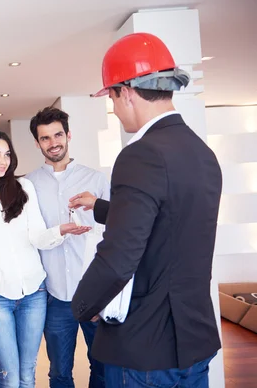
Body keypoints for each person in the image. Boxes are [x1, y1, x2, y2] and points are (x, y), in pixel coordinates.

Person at [69, 32, 222, 388]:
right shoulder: (202, 154)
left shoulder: (140, 154)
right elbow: (169, 222)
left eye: (111, 97)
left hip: (145, 349)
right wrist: (101, 207)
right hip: (194, 339)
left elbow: (119, 257)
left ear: (127, 92)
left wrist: (82, 306)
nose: (114, 107)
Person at [0, 107, 109, 387]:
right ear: (37, 143)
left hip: (95, 290)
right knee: (59, 372)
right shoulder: (26, 185)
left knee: (104, 367)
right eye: (45, 138)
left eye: (58, 134)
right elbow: (7, 233)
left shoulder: (96, 180)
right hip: (54, 295)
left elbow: (116, 232)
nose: (53, 142)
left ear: (68, 135)